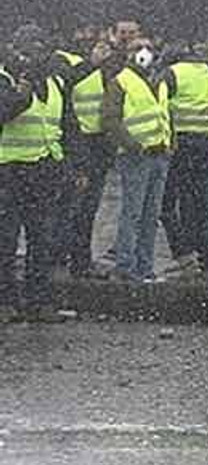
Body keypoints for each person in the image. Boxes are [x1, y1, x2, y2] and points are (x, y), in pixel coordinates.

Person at [0, 24, 72, 322]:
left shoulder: (55, 83)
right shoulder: (4, 80)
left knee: (42, 240)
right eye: (26, 49)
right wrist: (22, 94)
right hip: (8, 171)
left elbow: (67, 127)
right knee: (5, 240)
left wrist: (71, 167)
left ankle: (39, 303)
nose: (31, 56)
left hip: (43, 171)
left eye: (38, 49)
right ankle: (5, 302)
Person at [158, 37, 208, 282]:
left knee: (169, 204)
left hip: (183, 146)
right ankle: (207, 266)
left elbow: (159, 107)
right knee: (203, 209)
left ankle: (185, 257)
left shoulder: (171, 73)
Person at [102, 35, 171, 283]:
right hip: (136, 157)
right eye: (137, 48)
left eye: (149, 47)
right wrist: (132, 146)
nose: (144, 52)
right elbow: (110, 120)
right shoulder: (120, 81)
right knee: (133, 213)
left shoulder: (160, 82)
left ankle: (144, 267)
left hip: (160, 156)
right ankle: (125, 266)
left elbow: (163, 115)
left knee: (151, 216)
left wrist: (169, 145)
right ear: (127, 53)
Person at [57, 31, 115, 279]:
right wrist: (91, 64)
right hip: (78, 145)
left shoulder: (106, 69)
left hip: (98, 146)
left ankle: (78, 260)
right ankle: (70, 260)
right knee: (74, 207)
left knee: (88, 208)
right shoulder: (65, 62)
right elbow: (66, 88)